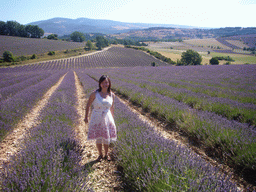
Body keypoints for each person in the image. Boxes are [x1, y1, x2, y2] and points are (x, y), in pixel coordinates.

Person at [84, 75, 117, 162]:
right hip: (97, 116)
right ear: (100, 84)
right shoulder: (95, 94)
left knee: (106, 137)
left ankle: (106, 154)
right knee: (99, 137)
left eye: (106, 82)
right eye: (103, 83)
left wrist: (112, 119)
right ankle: (100, 155)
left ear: (109, 83)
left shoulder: (112, 95)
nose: (105, 84)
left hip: (107, 117)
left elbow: (112, 108)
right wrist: (86, 117)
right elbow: (88, 105)